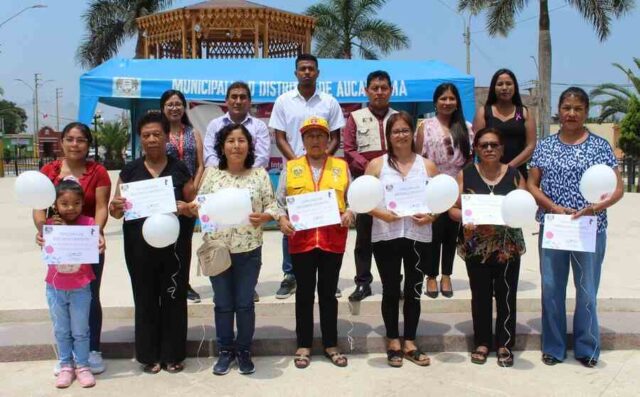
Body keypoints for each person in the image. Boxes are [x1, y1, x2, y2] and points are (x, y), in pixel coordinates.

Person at [527, 87, 623, 368]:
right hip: (555, 226)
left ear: (586, 112)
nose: (571, 113)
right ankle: (553, 347)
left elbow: (617, 189)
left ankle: (587, 347)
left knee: (587, 288)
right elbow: (532, 184)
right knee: (552, 287)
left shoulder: (600, 146)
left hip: (590, 227)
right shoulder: (545, 146)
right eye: (567, 108)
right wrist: (554, 207)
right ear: (559, 109)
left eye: (577, 109)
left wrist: (595, 207)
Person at [109, 112, 196, 374]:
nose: (151, 139)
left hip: (175, 245)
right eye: (146, 135)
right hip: (138, 246)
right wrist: (116, 206)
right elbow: (116, 211)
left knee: (173, 295)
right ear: (140, 139)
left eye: (157, 134)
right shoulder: (130, 170)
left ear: (167, 137)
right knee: (145, 297)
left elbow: (194, 206)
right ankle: (149, 355)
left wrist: (185, 207)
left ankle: (173, 354)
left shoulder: (179, 168)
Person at [192, 123, 280, 375]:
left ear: (249, 145)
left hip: (249, 250)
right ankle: (224, 350)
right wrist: (190, 207)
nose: (236, 145)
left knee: (243, 304)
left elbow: (273, 206)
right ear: (222, 146)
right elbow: (201, 204)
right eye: (230, 140)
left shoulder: (259, 174)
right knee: (222, 303)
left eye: (241, 140)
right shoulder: (211, 174)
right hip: (218, 249)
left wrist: (264, 217)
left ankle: (243, 350)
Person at [34, 122, 111, 375]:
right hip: (59, 246)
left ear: (88, 144)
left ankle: (92, 350)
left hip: (88, 244)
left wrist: (97, 233)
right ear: (62, 142)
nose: (75, 144)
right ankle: (66, 357)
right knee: (59, 298)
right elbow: (38, 207)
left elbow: (101, 207)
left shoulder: (98, 171)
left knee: (89, 296)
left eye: (81, 140)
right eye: (70, 139)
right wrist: (43, 229)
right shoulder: (48, 171)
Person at [277, 116, 353, 369]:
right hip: (302, 241)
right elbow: (279, 204)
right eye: (310, 136)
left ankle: (331, 343)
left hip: (332, 240)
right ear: (303, 140)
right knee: (304, 294)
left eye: (320, 135)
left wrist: (350, 212)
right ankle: (304, 344)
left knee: (328, 294)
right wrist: (281, 220)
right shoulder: (291, 167)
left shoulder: (341, 166)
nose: (316, 140)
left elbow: (353, 199)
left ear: (329, 138)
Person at [269, 54, 345, 299]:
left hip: (324, 170)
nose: (307, 72)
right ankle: (290, 274)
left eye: (311, 69)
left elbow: (335, 137)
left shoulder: (329, 102)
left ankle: (328, 278)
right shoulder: (283, 101)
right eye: (302, 69)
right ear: (295, 73)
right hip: (295, 170)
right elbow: (279, 136)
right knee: (292, 222)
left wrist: (322, 160)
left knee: (324, 220)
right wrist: (297, 163)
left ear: (318, 72)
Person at [366, 111, 438, 367]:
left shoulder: (427, 166)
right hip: (386, 235)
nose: (401, 135)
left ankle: (410, 340)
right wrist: (381, 214)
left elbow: (438, 201)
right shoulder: (376, 165)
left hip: (417, 235)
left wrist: (432, 216)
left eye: (405, 130)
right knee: (389, 289)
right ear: (388, 136)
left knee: (413, 290)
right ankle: (393, 340)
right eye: (395, 131)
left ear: (413, 133)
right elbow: (363, 201)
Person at [448, 127, 526, 367]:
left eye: (494, 144)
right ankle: (482, 342)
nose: (489, 149)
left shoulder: (515, 175)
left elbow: (523, 208)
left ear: (502, 148)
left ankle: (504, 343)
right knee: (480, 296)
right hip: (476, 247)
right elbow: (452, 209)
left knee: (506, 296)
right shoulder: (466, 174)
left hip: (507, 247)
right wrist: (468, 215)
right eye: (484, 145)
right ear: (477, 149)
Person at [39, 180, 104, 388]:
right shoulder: (50, 225)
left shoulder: (88, 224)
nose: (70, 208)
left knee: (81, 330)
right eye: (64, 203)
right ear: (55, 204)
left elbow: (96, 247)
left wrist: (99, 243)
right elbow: (43, 244)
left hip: (80, 287)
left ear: (82, 203)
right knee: (61, 330)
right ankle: (66, 365)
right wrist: (40, 238)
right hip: (55, 288)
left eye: (76, 203)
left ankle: (82, 366)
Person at [415, 83, 473, 299]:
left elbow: (469, 161)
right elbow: (418, 159)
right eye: (443, 98)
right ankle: (430, 275)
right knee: (432, 234)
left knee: (451, 233)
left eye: (451, 98)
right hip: (431, 186)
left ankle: (446, 274)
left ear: (457, 101)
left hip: (457, 186)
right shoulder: (425, 127)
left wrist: (460, 188)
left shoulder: (466, 128)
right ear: (435, 102)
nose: (447, 102)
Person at [343, 70, 397, 302]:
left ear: (390, 91)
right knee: (364, 238)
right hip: (365, 186)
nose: (379, 92)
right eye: (374, 88)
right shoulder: (355, 117)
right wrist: (372, 167)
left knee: (394, 236)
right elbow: (348, 149)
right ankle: (363, 283)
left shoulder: (399, 117)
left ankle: (394, 283)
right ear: (366, 91)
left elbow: (408, 147)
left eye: (384, 87)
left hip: (394, 185)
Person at [161, 89, 205, 303]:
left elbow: (201, 164)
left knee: (184, 241)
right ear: (163, 107)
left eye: (178, 104)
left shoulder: (193, 132)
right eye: (170, 104)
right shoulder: (158, 133)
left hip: (188, 193)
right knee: (166, 240)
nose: (174, 108)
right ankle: (167, 282)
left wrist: (194, 189)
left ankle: (184, 283)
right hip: (164, 194)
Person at [472, 68, 536, 178]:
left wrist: (509, 168)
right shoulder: (484, 112)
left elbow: (531, 146)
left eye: (509, 84)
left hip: (517, 174)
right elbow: (478, 145)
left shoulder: (524, 113)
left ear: (515, 87)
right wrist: (496, 169)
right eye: (500, 84)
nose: (504, 88)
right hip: (489, 174)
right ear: (493, 88)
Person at [203, 81, 271, 169]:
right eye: (234, 97)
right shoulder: (215, 125)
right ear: (226, 101)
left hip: (251, 176)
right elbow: (209, 156)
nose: (238, 101)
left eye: (242, 97)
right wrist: (228, 172)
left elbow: (263, 158)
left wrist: (244, 173)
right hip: (219, 175)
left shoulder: (259, 126)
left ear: (250, 102)